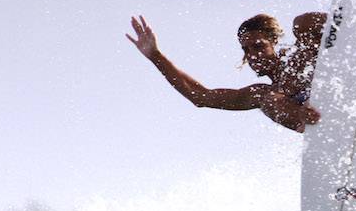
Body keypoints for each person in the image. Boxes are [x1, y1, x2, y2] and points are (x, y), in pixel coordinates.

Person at [125, 12, 328, 133]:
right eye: (246, 50)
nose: (252, 56)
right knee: (264, 96)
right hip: (320, 122)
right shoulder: (264, 92)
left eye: (258, 46)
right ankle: (305, 118)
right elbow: (201, 97)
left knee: (302, 23)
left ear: (273, 42)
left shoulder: (300, 57)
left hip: (338, 86)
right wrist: (155, 56)